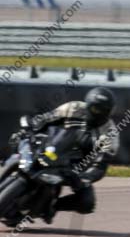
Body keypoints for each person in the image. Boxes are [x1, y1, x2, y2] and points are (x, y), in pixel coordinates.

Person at [4, 87, 119, 218]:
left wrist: (84, 179)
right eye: (95, 109)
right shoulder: (74, 108)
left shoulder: (110, 134)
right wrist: (30, 127)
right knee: (20, 140)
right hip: (51, 147)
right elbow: (46, 118)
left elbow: (101, 166)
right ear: (88, 105)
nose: (99, 114)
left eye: (104, 111)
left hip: (73, 168)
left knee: (87, 203)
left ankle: (51, 206)